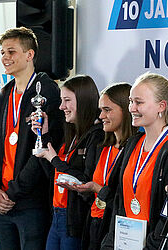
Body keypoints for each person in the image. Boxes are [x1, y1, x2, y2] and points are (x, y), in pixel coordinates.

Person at [0, 27, 64, 250]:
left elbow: (45, 149)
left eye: (11, 52)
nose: (5, 57)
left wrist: (13, 192)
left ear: (29, 54)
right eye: (2, 52)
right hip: (0, 201)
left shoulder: (48, 92)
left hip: (30, 203)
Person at [101, 72, 168, 250]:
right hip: (124, 242)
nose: (132, 108)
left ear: (161, 106)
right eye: (131, 102)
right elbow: (118, 200)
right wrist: (110, 243)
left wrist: (150, 246)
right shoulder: (133, 144)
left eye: (139, 102)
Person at [33, 75, 104, 250]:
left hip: (74, 219)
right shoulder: (71, 134)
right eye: (61, 100)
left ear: (83, 100)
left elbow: (85, 181)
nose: (61, 107)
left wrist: (55, 160)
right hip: (57, 214)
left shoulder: (96, 136)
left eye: (67, 100)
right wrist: (44, 135)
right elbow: (53, 174)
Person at [71, 83, 138, 250]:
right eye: (101, 110)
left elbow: (125, 199)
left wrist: (98, 189)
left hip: (117, 229)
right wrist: (85, 190)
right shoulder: (102, 147)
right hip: (94, 223)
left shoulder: (135, 150)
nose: (101, 116)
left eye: (107, 110)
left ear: (125, 110)